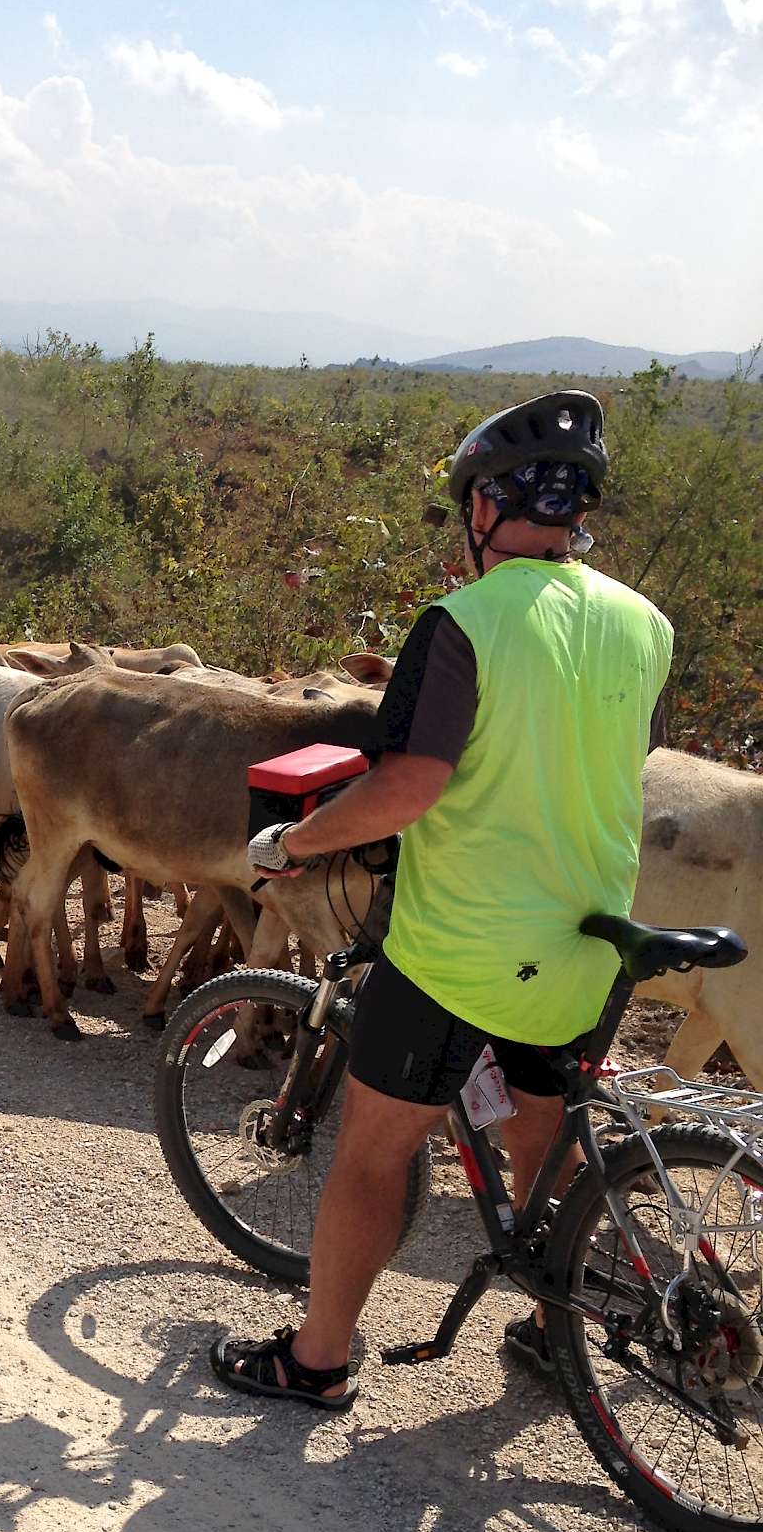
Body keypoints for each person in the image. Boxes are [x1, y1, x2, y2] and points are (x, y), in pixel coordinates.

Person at [215, 390, 672, 1410]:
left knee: (373, 1155)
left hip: (462, 943)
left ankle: (318, 1358)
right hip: (590, 937)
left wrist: (294, 841)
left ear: (482, 510)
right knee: (543, 1136)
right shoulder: (645, 624)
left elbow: (408, 787)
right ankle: (557, 1320)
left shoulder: (460, 622)